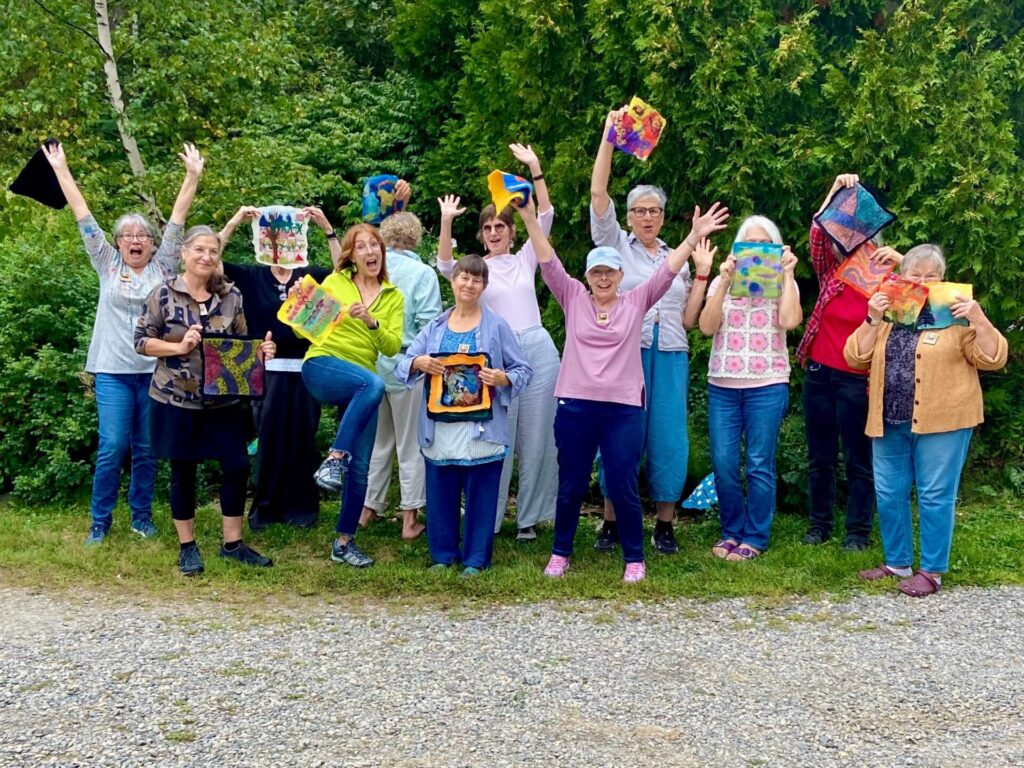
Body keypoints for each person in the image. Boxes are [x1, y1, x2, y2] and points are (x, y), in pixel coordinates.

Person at [524, 194, 729, 582]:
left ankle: (635, 557)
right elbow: (547, 259)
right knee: (570, 485)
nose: (603, 278)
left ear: (620, 277)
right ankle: (560, 552)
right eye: (597, 272)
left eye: (610, 272)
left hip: (622, 410)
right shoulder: (572, 297)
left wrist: (692, 238)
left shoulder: (635, 301)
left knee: (623, 485)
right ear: (587, 277)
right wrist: (529, 218)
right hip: (576, 407)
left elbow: (666, 272)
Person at [42, 141, 204, 545]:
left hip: (154, 371)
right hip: (113, 371)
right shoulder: (106, 262)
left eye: (142, 235)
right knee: (114, 445)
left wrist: (192, 176)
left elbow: (178, 220)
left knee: (147, 448)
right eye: (127, 235)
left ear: (152, 244)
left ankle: (142, 516)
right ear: (116, 243)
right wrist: (61, 168)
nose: (135, 240)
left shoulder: (164, 265)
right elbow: (83, 215)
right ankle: (100, 520)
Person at [845, 244, 1007, 596]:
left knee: (935, 495)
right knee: (889, 493)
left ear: (941, 280)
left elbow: (993, 358)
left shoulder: (956, 315)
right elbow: (855, 356)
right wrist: (872, 317)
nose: (921, 282)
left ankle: (932, 572)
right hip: (889, 420)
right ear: (902, 278)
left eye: (930, 276)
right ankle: (897, 563)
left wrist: (979, 318)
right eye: (913, 276)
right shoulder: (889, 314)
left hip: (945, 421)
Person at [590, 107, 714, 554]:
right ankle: (610, 523)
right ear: (627, 217)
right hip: (626, 354)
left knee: (668, 437)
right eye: (639, 210)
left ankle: (664, 525)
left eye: (654, 211)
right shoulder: (614, 246)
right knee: (621, 436)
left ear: (663, 218)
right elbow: (598, 190)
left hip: (673, 354)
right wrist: (609, 137)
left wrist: (701, 276)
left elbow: (687, 321)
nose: (646, 217)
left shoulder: (675, 257)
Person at [134, 226, 276, 576]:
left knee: (238, 465)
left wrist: (262, 352)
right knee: (183, 470)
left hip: (222, 401)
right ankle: (187, 548)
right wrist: (178, 347)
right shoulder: (162, 294)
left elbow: (242, 345)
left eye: (212, 252)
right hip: (174, 397)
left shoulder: (231, 296)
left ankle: (233, 544)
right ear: (184, 253)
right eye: (199, 250)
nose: (206, 257)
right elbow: (141, 341)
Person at [436, 143, 559, 541]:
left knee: (538, 437)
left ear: (511, 231)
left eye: (499, 227)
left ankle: (529, 520)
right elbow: (444, 265)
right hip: (496, 358)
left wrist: (535, 169)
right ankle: (486, 520)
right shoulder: (475, 271)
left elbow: (545, 216)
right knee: (493, 436)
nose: (493, 233)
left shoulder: (526, 257)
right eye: (487, 228)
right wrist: (446, 222)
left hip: (537, 349)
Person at [395, 254, 532, 574]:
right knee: (441, 492)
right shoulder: (435, 327)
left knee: (482, 495)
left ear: (484, 286)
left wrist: (503, 378)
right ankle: (442, 555)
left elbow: (523, 369)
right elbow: (402, 364)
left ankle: (475, 559)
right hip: (439, 427)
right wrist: (419, 363)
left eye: (477, 279)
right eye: (464, 277)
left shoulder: (497, 326)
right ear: (453, 281)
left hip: (483, 430)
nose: (469, 284)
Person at [215, 204, 341, 529]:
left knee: (303, 438)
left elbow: (343, 271)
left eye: (289, 237)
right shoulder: (252, 275)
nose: (281, 244)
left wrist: (326, 226)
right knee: (269, 439)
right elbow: (210, 263)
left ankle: (301, 510)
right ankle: (266, 510)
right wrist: (234, 221)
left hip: (306, 368)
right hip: (266, 369)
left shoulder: (309, 275)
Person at [797, 174, 902, 551]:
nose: (859, 243)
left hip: (859, 380)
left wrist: (902, 265)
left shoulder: (889, 280)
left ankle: (857, 533)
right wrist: (836, 192)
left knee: (859, 460)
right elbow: (817, 230)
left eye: (867, 238)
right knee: (820, 457)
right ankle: (819, 526)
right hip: (820, 375)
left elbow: (925, 300)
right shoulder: (832, 273)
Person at [698, 216, 802, 561]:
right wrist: (724, 282)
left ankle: (755, 537)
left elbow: (789, 321)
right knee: (724, 462)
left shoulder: (784, 282)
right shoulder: (721, 282)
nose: (757, 252)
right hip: (723, 386)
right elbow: (706, 327)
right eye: (750, 244)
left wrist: (787, 274)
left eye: (765, 245)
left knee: (759, 462)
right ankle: (731, 531)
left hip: (767, 384)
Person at [300, 224, 404, 568]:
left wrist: (372, 322)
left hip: (363, 377)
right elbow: (304, 324)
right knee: (374, 385)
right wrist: (301, 301)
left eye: (375, 245)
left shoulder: (393, 296)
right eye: (362, 247)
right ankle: (334, 458)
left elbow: (390, 346)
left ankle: (344, 543)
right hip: (323, 364)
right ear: (352, 255)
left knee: (361, 468)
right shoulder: (335, 282)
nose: (370, 251)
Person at [361, 192, 443, 540]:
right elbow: (431, 324)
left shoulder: (373, 271)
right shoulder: (423, 274)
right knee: (411, 444)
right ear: (416, 237)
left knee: (379, 443)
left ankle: (367, 510)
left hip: (372, 364)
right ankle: (410, 519)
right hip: (410, 365)